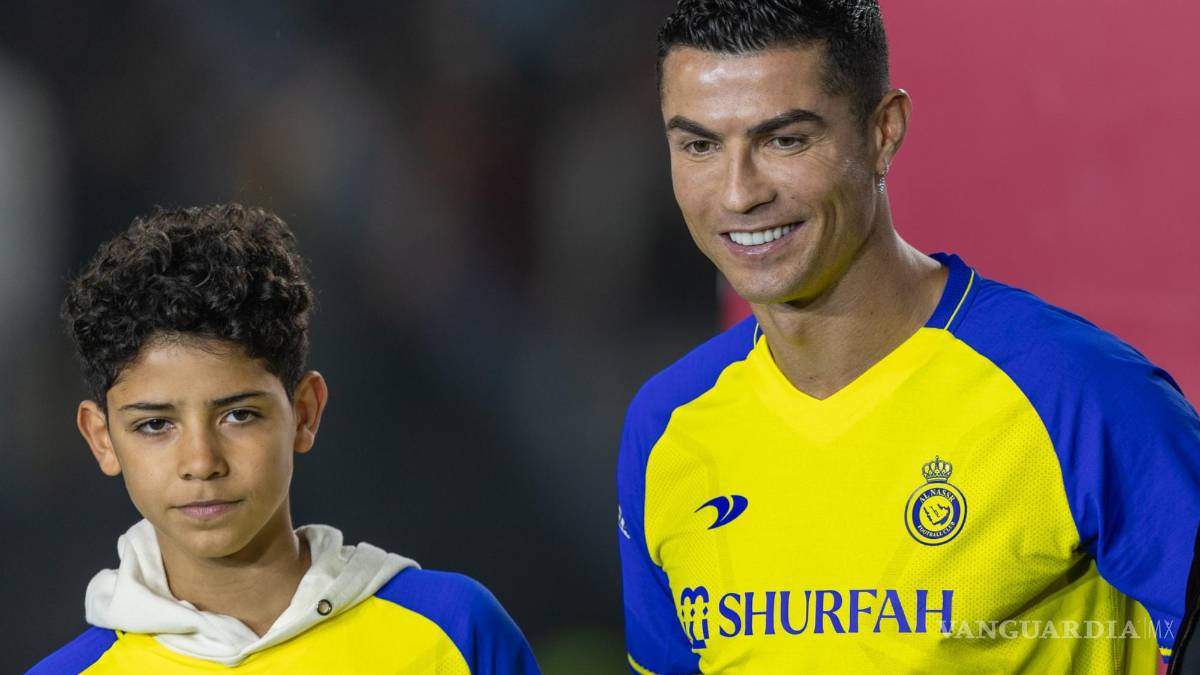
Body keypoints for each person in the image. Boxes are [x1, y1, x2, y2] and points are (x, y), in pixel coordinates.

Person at [616, 1, 1200, 673]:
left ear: (883, 132)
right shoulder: (667, 425)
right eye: (700, 146)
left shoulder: (1077, 392)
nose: (738, 194)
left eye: (785, 140)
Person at [30, 204, 540, 674]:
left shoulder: (455, 630)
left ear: (304, 413)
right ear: (102, 438)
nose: (201, 462)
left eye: (239, 415)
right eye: (155, 425)